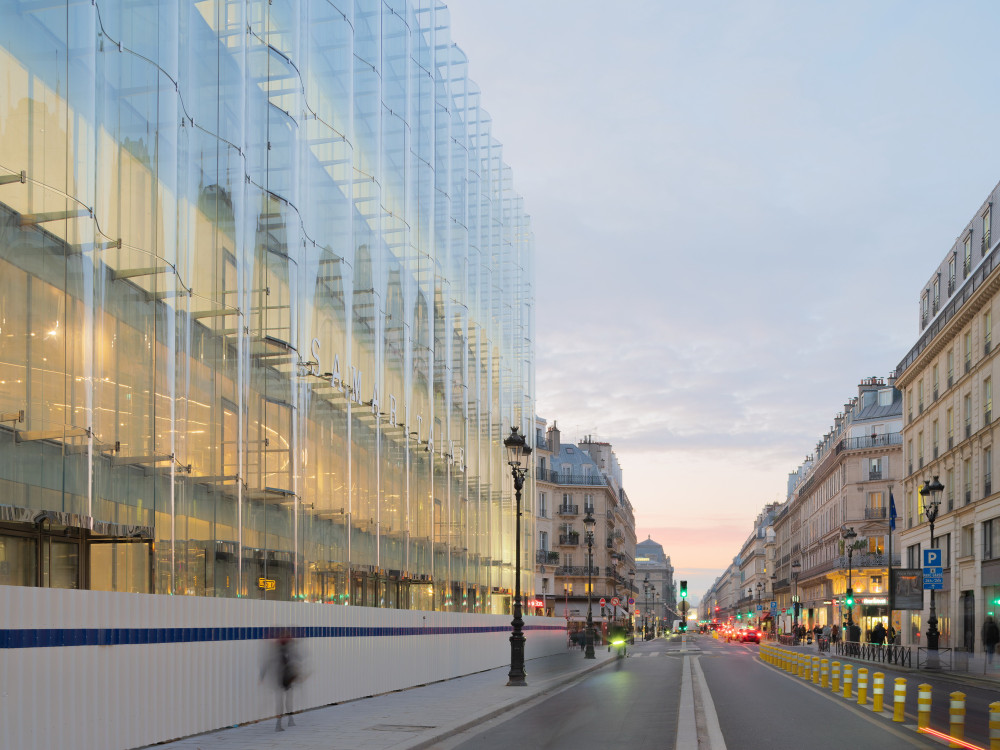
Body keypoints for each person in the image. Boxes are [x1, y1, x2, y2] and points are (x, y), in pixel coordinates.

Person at [261, 631, 302, 732]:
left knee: (283, 701)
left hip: (284, 677)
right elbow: (296, 660)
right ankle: (284, 722)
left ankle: (284, 722)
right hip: (284, 677)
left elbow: (268, 662)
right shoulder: (285, 648)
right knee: (285, 700)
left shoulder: (280, 647)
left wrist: (262, 675)